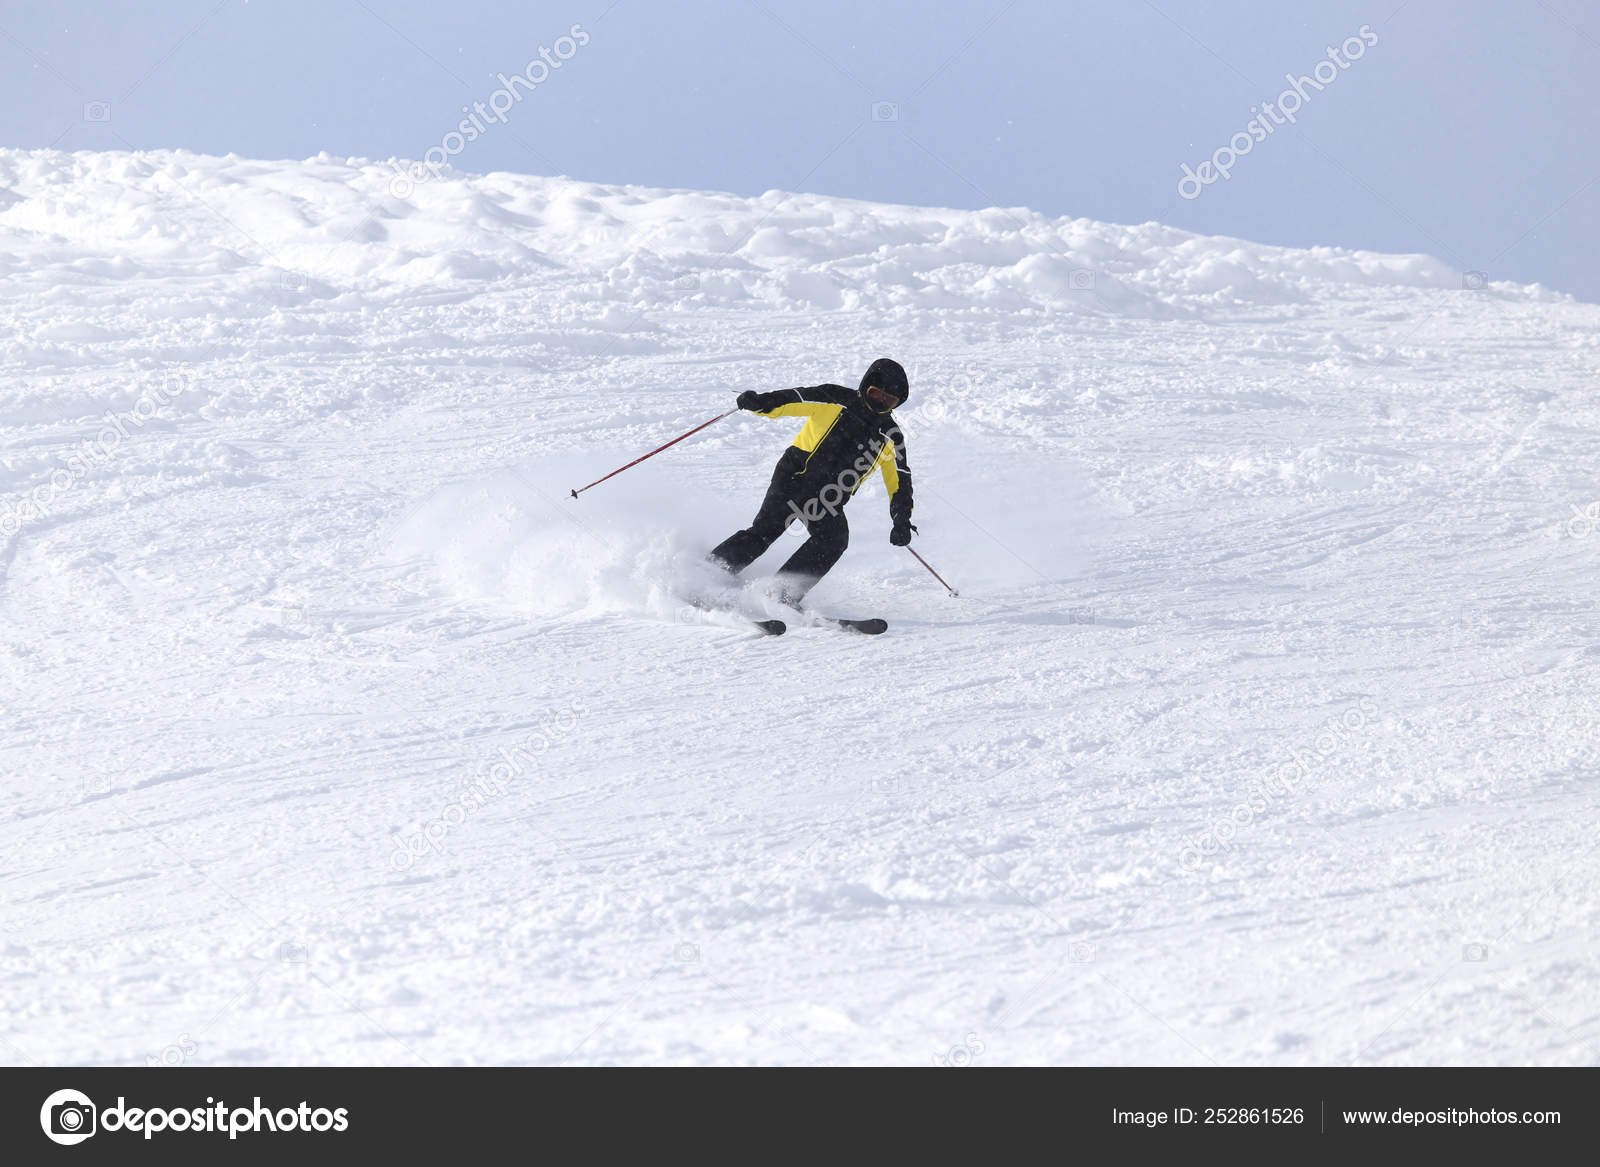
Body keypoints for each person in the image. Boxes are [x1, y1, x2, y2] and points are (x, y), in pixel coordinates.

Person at [709, 357, 915, 604]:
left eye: (889, 400)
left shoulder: (891, 436)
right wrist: (762, 402)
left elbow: (900, 482)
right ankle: (708, 574)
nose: (880, 401)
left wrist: (901, 519)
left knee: (834, 540)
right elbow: (795, 399)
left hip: (828, 498)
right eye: (875, 393)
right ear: (865, 387)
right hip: (794, 477)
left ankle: (780, 593)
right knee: (765, 532)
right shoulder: (836, 398)